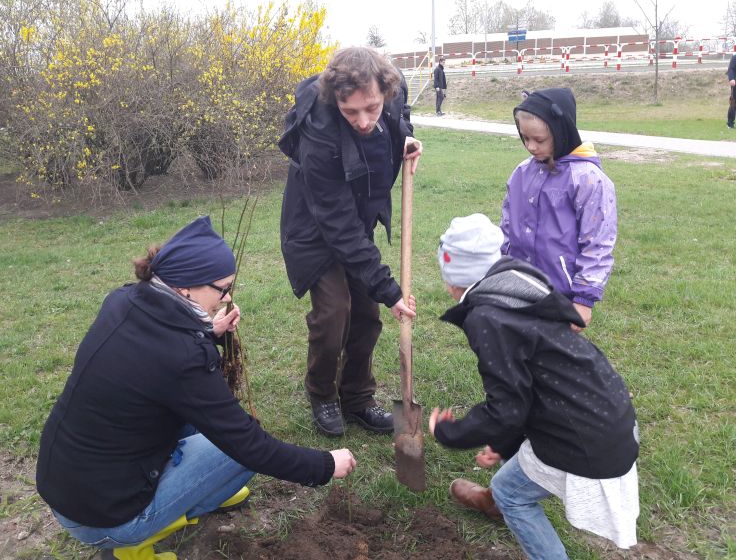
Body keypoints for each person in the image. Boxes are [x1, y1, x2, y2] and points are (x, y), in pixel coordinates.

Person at [36, 216, 356, 559]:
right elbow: (250, 446)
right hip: (105, 520)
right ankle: (129, 543)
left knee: (202, 425)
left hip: (67, 487)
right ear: (186, 286)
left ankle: (195, 491)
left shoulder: (124, 300)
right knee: (240, 453)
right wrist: (324, 465)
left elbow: (155, 363)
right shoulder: (183, 357)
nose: (227, 296)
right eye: (222, 287)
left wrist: (209, 333)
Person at [429, 213, 640, 560]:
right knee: (511, 482)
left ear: (456, 279)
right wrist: (502, 441)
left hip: (584, 438)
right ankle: (495, 503)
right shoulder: (518, 284)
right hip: (607, 415)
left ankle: (507, 507)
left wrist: (451, 433)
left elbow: (507, 409)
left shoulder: (487, 318)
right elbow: (527, 387)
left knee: (510, 493)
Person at [278, 47, 422, 437]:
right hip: (314, 229)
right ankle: (322, 393)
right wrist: (390, 290)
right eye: (351, 112)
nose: (363, 121)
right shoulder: (317, 134)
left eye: (371, 109)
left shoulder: (393, 93)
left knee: (366, 314)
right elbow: (338, 227)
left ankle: (357, 398)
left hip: (357, 218)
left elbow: (398, 117)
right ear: (335, 99)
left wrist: (405, 138)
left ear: (384, 92)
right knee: (334, 312)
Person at [501, 87, 617, 332]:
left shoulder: (587, 179)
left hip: (560, 295)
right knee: (516, 354)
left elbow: (598, 242)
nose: (531, 147)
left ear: (561, 132)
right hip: (519, 284)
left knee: (551, 361)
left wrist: (584, 299)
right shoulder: (522, 172)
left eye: (539, 140)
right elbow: (507, 226)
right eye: (525, 138)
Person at [727, 53, 736, 129]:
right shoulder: (735, 57)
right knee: (733, 103)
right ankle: (730, 123)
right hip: (735, 83)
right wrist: (731, 78)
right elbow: (731, 69)